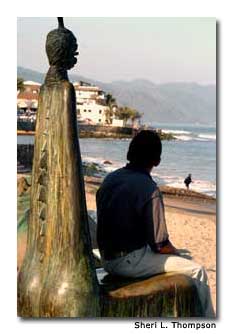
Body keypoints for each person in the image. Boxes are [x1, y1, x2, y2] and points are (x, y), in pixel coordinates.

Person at [96, 130, 215, 317]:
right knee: (197, 271)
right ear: (157, 161)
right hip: (128, 262)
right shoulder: (149, 189)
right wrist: (176, 253)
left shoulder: (110, 179)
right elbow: (160, 245)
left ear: (129, 154)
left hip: (107, 258)